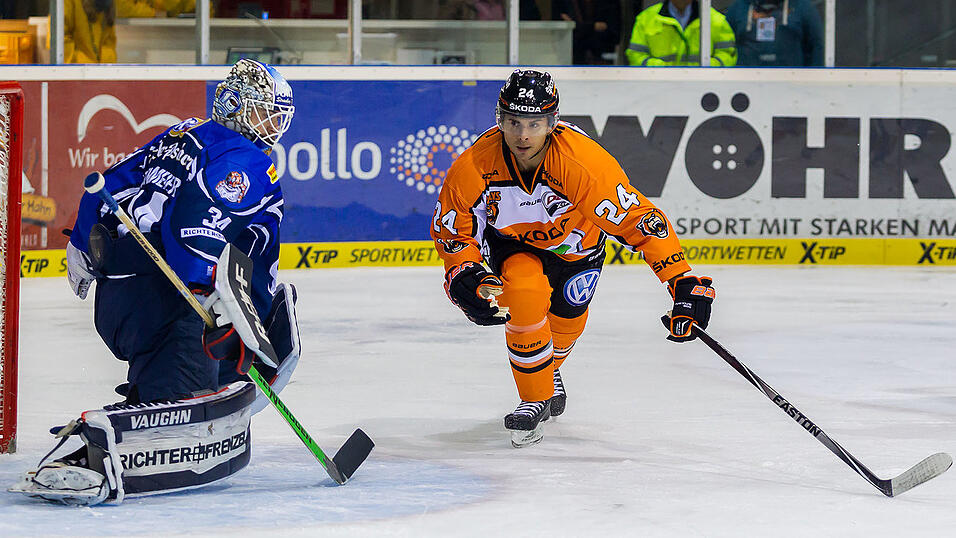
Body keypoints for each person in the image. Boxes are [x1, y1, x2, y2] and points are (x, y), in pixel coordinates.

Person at [11, 59, 301, 505]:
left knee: (170, 389)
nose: (274, 125)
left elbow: (107, 183)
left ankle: (136, 409)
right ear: (242, 107)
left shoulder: (186, 131)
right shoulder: (246, 159)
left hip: (120, 296)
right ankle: (100, 456)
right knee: (188, 405)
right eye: (268, 112)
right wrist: (211, 293)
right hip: (167, 299)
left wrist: (82, 243)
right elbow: (193, 226)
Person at [431, 69, 715, 447]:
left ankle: (549, 370)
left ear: (552, 122)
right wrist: (462, 273)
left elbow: (636, 221)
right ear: (499, 119)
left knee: (566, 326)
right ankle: (533, 399)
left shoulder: (582, 164)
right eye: (513, 122)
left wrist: (681, 280)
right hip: (512, 247)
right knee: (524, 295)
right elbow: (453, 232)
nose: (523, 135)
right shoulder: (473, 167)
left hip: (578, 249)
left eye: (534, 123)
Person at [626, 0, 736, 66]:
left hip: (703, 90)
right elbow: (635, 56)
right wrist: (663, 70)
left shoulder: (716, 20)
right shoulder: (646, 19)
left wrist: (701, 71)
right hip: (658, 89)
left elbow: (727, 56)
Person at [724, 0, 823, 67]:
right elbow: (726, 49)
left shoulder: (802, 7)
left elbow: (816, 47)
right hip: (747, 83)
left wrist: (812, 81)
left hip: (792, 84)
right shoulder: (738, 8)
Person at [553, 0, 622, 65]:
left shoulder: (607, 3)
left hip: (601, 55)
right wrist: (592, 26)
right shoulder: (566, 3)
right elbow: (562, 26)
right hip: (571, 55)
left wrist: (579, 26)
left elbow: (613, 31)